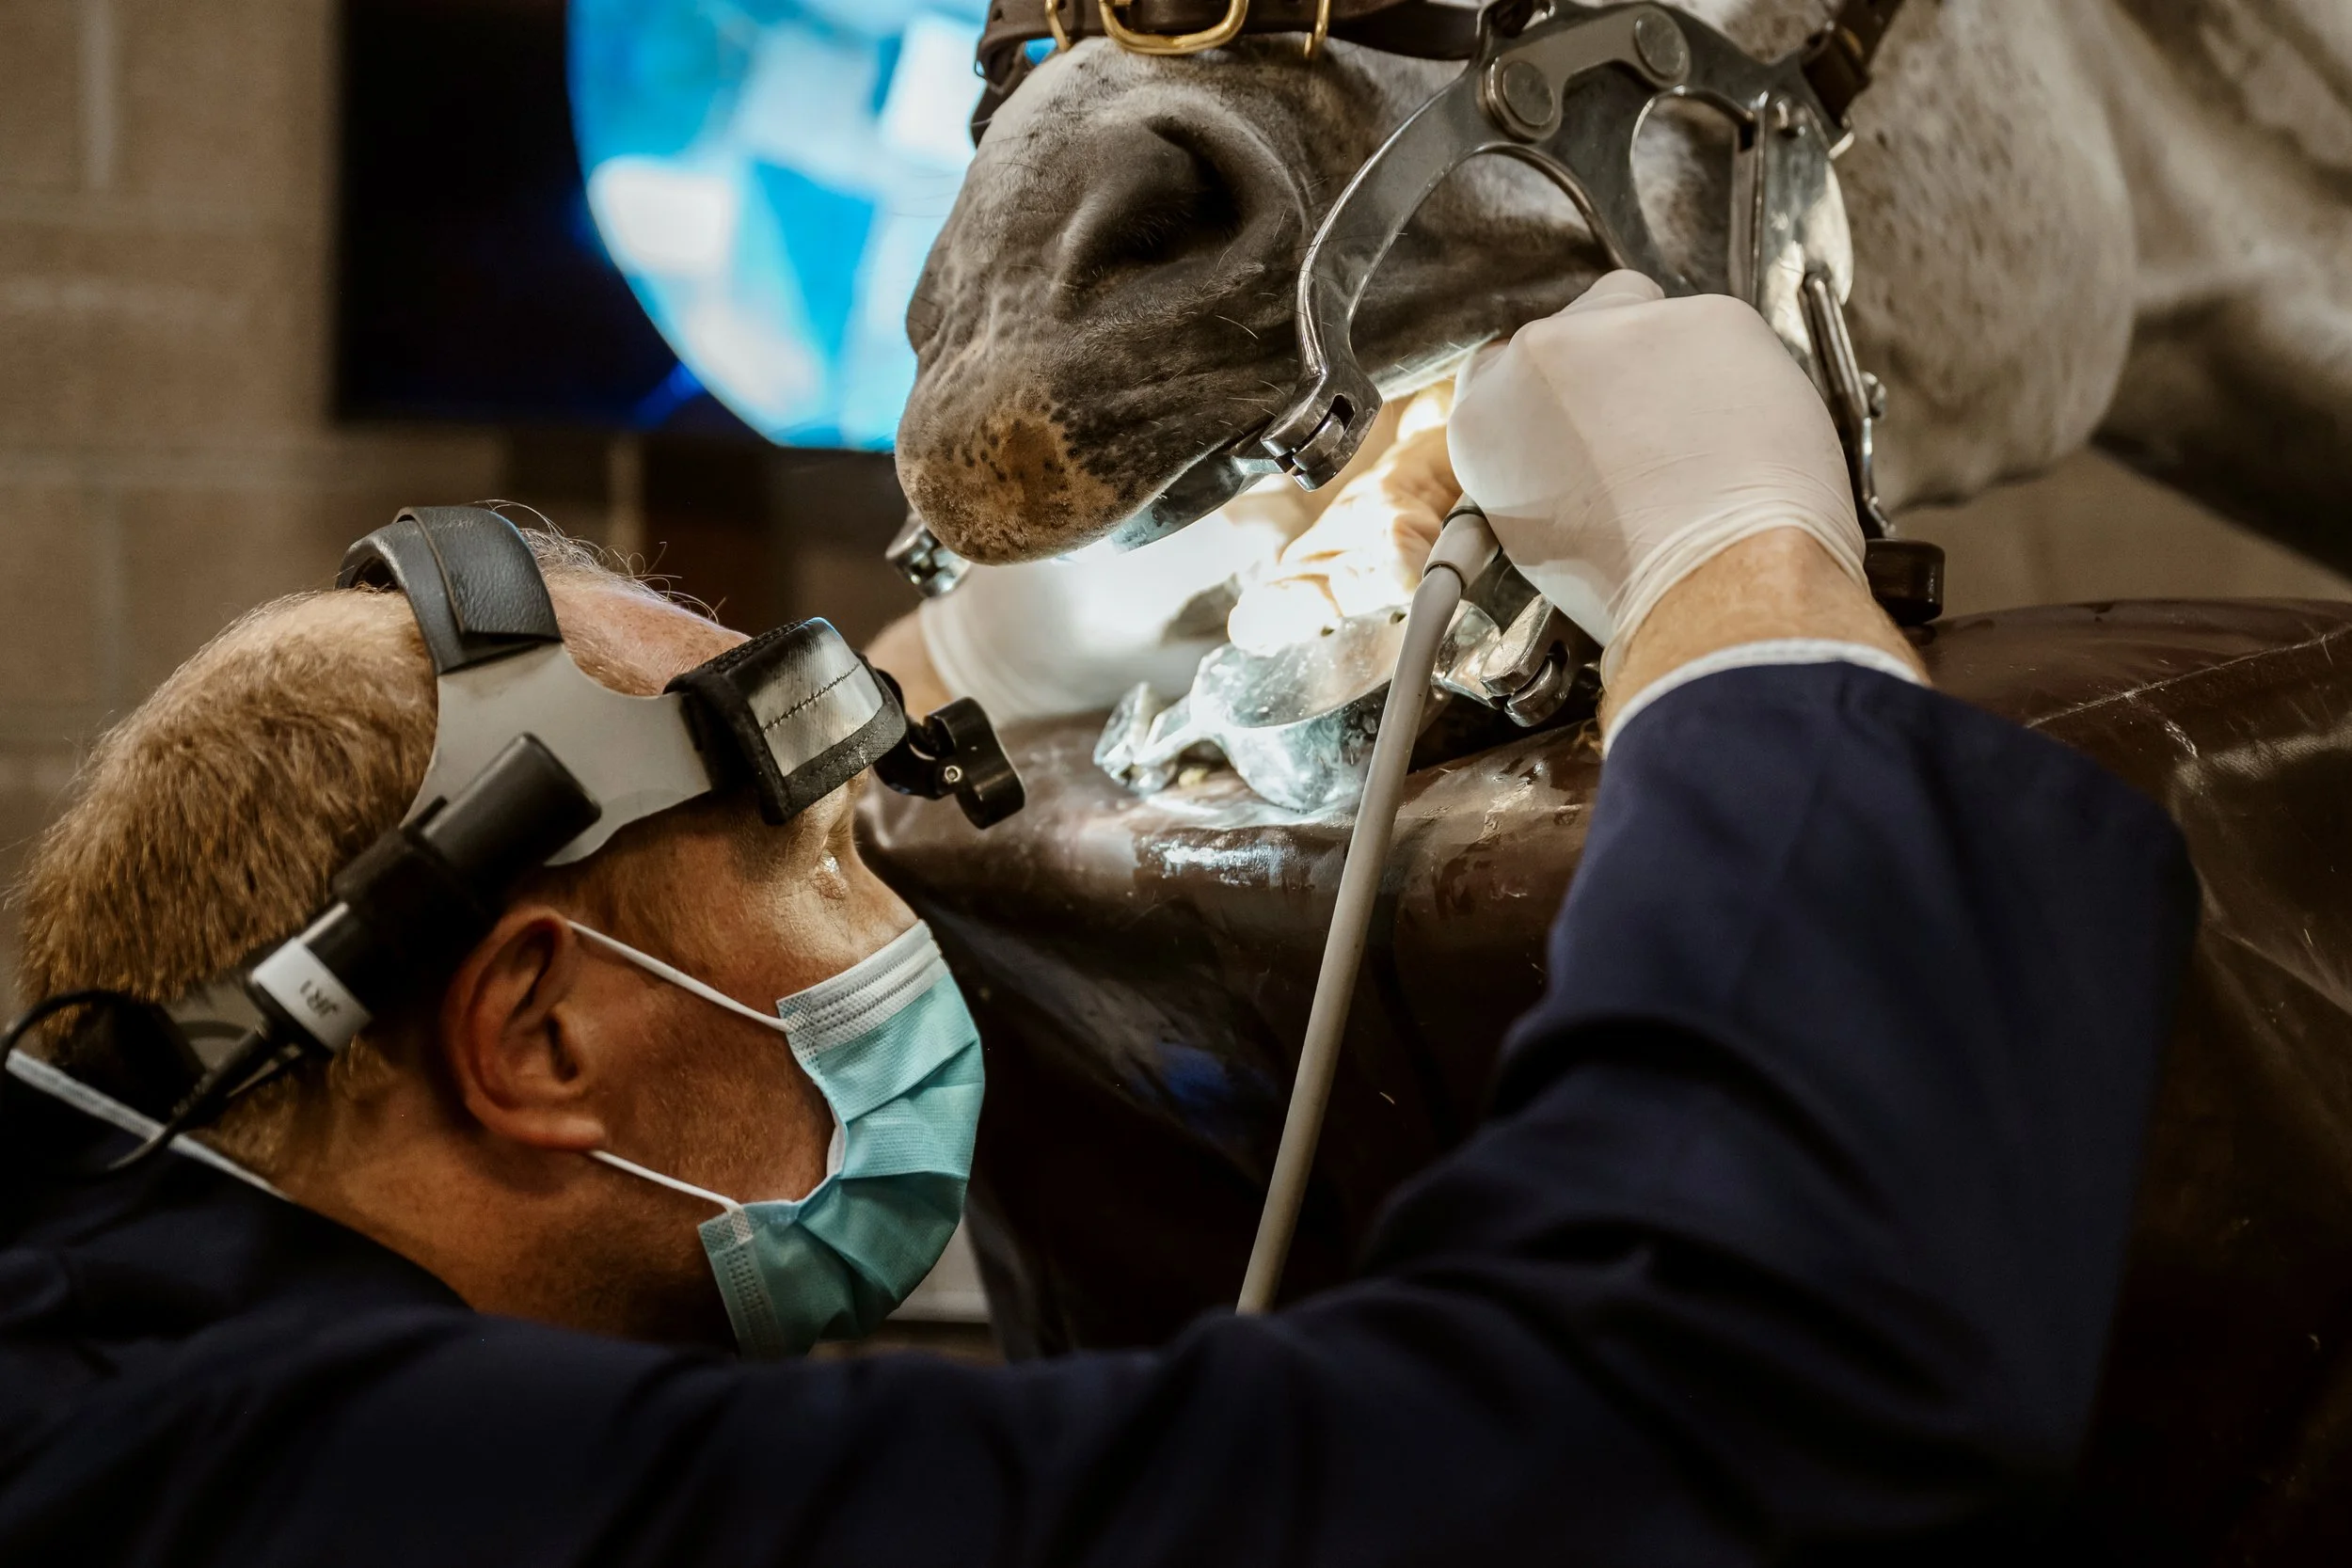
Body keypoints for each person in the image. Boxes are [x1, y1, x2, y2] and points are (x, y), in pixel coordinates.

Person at [0, 273, 2195, 1564]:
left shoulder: (91, 1311)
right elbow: (1693, 1424)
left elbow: (708, 799)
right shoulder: (322, 1503)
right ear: (540, 1039)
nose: (899, 899)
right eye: (837, 860)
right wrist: (1744, 580)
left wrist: (1022, 647)